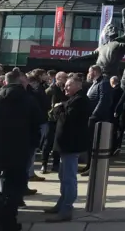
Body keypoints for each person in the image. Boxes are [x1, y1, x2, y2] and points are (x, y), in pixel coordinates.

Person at [0, 69, 42, 231]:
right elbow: (37, 127)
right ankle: (9, 222)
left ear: (5, 82)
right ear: (21, 83)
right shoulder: (30, 101)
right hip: (20, 150)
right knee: (13, 189)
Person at [43, 76, 91, 222]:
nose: (65, 88)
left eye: (69, 85)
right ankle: (62, 204)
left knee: (69, 178)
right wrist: (61, 107)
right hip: (66, 145)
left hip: (71, 145)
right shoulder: (73, 100)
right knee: (63, 176)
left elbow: (65, 117)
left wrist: (59, 108)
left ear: (77, 85)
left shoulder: (80, 100)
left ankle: (66, 209)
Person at [81, 65, 112, 177]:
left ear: (94, 71)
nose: (88, 73)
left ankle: (92, 167)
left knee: (94, 144)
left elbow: (103, 100)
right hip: (90, 116)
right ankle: (88, 165)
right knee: (90, 143)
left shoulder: (103, 83)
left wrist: (94, 114)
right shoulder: (95, 83)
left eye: (89, 71)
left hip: (96, 118)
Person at [42, 71, 68, 174]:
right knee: (48, 142)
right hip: (51, 119)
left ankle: (55, 165)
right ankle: (44, 164)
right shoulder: (51, 89)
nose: (66, 79)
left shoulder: (65, 89)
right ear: (58, 78)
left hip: (60, 119)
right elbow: (45, 102)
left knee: (58, 142)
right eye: (64, 77)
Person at [109, 76, 124, 155]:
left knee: (113, 131)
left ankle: (113, 148)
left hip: (113, 113)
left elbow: (112, 102)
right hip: (119, 113)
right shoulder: (121, 90)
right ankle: (116, 146)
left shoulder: (113, 91)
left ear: (113, 82)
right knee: (116, 130)